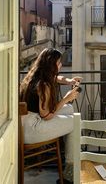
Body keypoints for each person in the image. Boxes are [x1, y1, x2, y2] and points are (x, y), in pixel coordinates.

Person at [20, 48, 82, 184]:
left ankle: (68, 150)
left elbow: (57, 78)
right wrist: (66, 98)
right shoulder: (43, 85)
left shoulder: (36, 76)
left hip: (26, 123)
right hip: (33, 128)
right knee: (75, 122)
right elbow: (47, 115)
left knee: (70, 109)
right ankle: (70, 172)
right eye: (59, 62)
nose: (60, 65)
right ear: (51, 64)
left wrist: (69, 81)